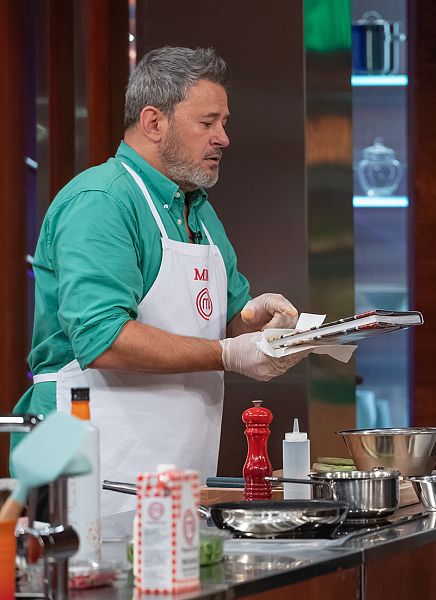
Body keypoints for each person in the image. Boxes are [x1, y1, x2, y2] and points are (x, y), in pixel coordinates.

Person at [12, 47, 311, 533]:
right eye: (208, 122)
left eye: (224, 122)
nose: (224, 138)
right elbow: (103, 340)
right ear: (154, 122)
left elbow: (228, 316)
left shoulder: (199, 209)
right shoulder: (101, 202)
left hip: (173, 476)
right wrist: (231, 354)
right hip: (89, 469)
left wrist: (257, 322)